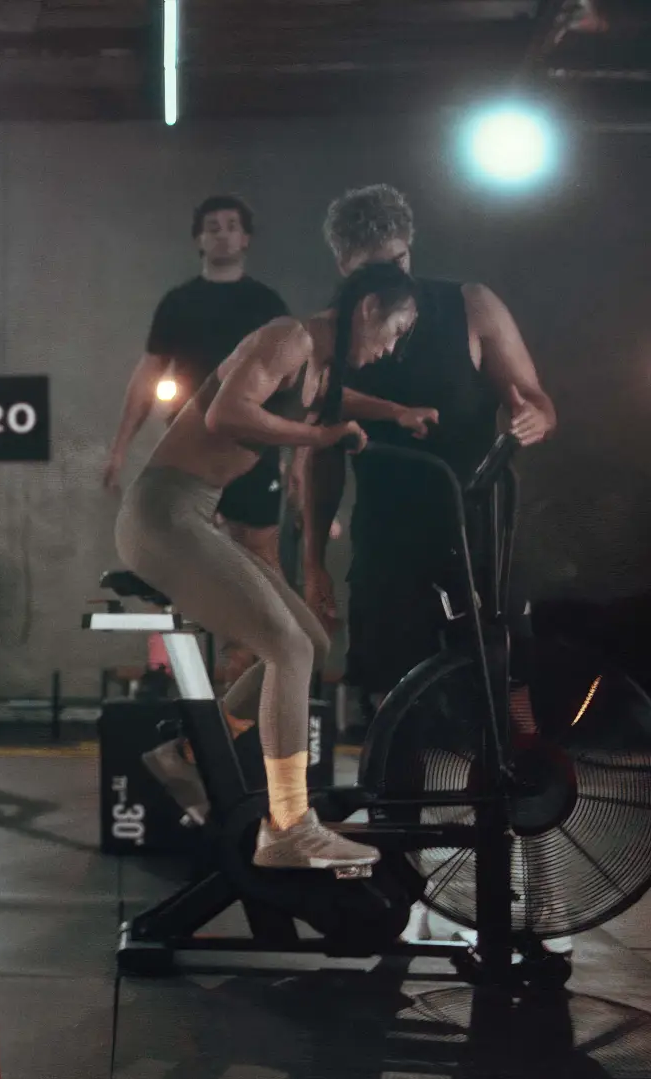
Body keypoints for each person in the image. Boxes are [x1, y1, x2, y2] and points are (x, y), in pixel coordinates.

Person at [114, 260, 439, 869]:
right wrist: (320, 438)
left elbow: (333, 399)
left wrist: (395, 413)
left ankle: (185, 757)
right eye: (395, 330)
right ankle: (288, 825)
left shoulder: (316, 365)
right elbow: (226, 413)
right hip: (162, 515)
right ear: (369, 307)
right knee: (286, 649)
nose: (391, 348)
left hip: (193, 513)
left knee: (309, 642)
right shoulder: (287, 337)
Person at [300, 185, 557, 731]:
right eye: (373, 271)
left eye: (399, 262)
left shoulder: (471, 304)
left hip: (479, 525)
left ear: (411, 250)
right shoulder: (326, 335)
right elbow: (318, 452)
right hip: (388, 533)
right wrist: (313, 558)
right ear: (344, 268)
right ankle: (405, 781)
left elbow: (535, 398)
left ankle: (522, 772)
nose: (393, 279)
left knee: (508, 678)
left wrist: (534, 416)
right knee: (394, 696)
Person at [103, 195, 294, 693]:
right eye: (213, 226)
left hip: (250, 447)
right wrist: (120, 447)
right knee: (178, 556)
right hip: (188, 448)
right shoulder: (179, 303)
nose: (222, 233)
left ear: (245, 238)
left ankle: (252, 678)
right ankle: (170, 676)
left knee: (258, 557)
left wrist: (300, 460)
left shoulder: (266, 304)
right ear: (199, 238)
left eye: (232, 226)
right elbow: (148, 374)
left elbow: (295, 380)